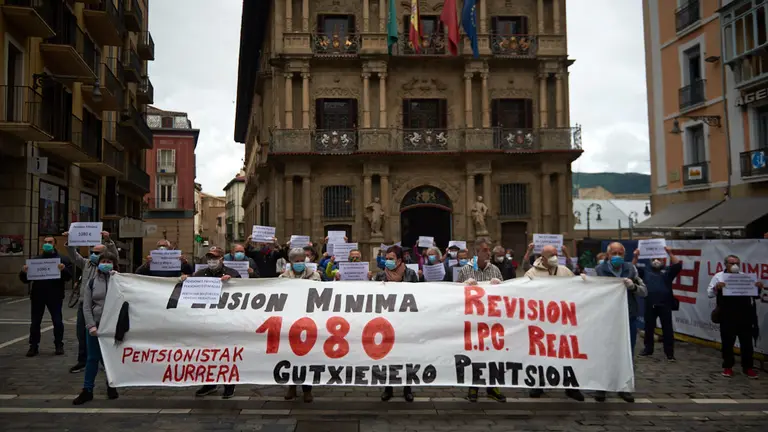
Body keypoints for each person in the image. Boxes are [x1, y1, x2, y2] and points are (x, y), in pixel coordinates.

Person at [524, 245, 584, 401]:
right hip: (541, 321)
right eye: (551, 255)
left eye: (556, 254)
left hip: (563, 320)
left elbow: (576, 289)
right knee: (540, 353)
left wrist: (583, 281)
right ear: (542, 257)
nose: (555, 257)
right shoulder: (532, 273)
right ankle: (538, 384)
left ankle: (571, 387)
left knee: (567, 352)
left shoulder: (564, 271)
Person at [185, 246, 241, 398]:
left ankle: (229, 385)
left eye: (215, 258)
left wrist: (232, 282)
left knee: (226, 354)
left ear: (222, 258)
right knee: (207, 353)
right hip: (206, 320)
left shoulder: (232, 273)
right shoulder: (199, 274)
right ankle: (209, 383)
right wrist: (184, 280)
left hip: (226, 319)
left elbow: (243, 291)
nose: (211, 261)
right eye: (209, 257)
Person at [456, 237, 506, 403]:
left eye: (488, 250)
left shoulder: (496, 270)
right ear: (476, 253)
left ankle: (493, 387)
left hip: (491, 320)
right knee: (475, 355)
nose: (488, 253)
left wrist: (500, 287)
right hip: (473, 320)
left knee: (493, 354)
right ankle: (473, 387)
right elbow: (454, 296)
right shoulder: (466, 271)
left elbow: (506, 297)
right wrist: (464, 286)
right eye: (484, 250)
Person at [595, 242, 647, 403]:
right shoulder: (599, 271)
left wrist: (632, 287)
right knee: (604, 352)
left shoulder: (631, 269)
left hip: (628, 316)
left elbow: (644, 291)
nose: (617, 256)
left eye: (620, 253)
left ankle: (624, 387)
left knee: (627, 352)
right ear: (608, 254)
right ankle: (601, 388)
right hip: (607, 317)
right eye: (614, 253)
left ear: (624, 255)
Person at [63, 230, 118, 373]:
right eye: (93, 251)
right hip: (84, 304)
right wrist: (70, 240)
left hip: (104, 307)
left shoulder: (110, 268)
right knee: (82, 333)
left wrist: (108, 240)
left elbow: (114, 255)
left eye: (98, 253)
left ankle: (104, 361)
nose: (95, 254)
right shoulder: (86, 264)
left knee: (105, 335)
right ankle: (83, 361)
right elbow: (73, 256)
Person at [370, 245, 419, 401]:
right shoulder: (380, 277)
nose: (388, 261)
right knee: (388, 356)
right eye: (387, 258)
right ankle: (388, 388)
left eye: (391, 258)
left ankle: (407, 388)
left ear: (399, 260)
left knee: (406, 355)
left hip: (406, 320)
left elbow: (419, 295)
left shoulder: (411, 274)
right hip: (386, 321)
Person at [72, 252, 120, 405]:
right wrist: (91, 325)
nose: (106, 263)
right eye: (103, 261)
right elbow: (86, 306)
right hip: (96, 325)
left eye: (109, 261)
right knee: (92, 358)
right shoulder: (92, 282)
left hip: (112, 326)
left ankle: (111, 385)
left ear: (114, 264)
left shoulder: (118, 281)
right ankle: (87, 390)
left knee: (111, 359)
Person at [708, 254, 763, 379]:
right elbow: (710, 293)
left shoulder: (745, 277)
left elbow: (754, 296)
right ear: (725, 264)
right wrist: (717, 287)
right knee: (727, 343)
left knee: (747, 343)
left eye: (737, 263)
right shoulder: (719, 276)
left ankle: (748, 367)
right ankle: (728, 367)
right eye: (731, 263)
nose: (734, 266)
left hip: (744, 315)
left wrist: (758, 288)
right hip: (727, 315)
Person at [280, 247, 322, 402]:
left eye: (301, 260)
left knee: (306, 356)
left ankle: (307, 389)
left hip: (308, 320)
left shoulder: (315, 276)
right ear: (291, 262)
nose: (299, 263)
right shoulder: (283, 277)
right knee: (290, 355)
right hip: (290, 321)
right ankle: (291, 386)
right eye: (296, 261)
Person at [20, 236, 73, 357]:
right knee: (35, 322)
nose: (47, 244)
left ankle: (59, 344)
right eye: (45, 242)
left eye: (50, 242)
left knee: (57, 321)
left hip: (55, 295)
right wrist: (24, 272)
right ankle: (33, 346)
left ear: (55, 244)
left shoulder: (62, 259)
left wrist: (63, 270)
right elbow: (26, 280)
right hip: (38, 295)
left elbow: (68, 277)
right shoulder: (35, 260)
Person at [632, 246, 682, 361]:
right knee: (649, 328)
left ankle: (669, 353)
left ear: (663, 260)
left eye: (658, 259)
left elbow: (678, 265)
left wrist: (670, 253)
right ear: (650, 261)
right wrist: (636, 256)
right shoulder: (645, 271)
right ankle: (648, 349)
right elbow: (632, 269)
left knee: (667, 329)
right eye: (654, 259)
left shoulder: (668, 271)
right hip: (650, 303)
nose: (656, 261)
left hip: (665, 304)